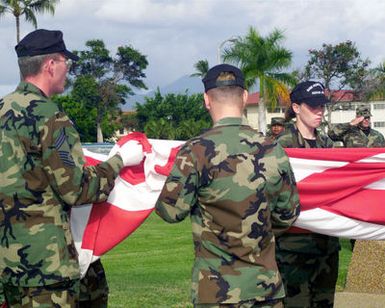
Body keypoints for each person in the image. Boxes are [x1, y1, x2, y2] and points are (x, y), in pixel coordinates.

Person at [0, 29, 133, 307]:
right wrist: (121, 161)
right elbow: (78, 190)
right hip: (47, 269)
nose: (67, 71)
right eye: (65, 63)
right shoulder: (50, 117)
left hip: (8, 266)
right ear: (50, 65)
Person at [155, 64, 300, 307]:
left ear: (206, 100)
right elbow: (288, 214)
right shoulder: (273, 149)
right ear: (244, 97)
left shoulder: (195, 151)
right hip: (265, 289)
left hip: (216, 290)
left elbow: (170, 211)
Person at [276, 81, 340, 308]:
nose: (319, 111)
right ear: (296, 108)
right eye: (312, 106)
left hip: (327, 244)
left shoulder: (328, 145)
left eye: (321, 105)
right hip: (295, 246)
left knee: (325, 303)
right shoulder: (282, 145)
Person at [328, 105, 385, 250]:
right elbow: (331, 134)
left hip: (374, 180)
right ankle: (356, 244)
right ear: (357, 117)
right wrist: (350, 124)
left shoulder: (377, 135)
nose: (366, 120)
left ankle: (375, 241)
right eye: (363, 117)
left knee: (374, 210)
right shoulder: (349, 133)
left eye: (368, 117)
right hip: (354, 180)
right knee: (356, 211)